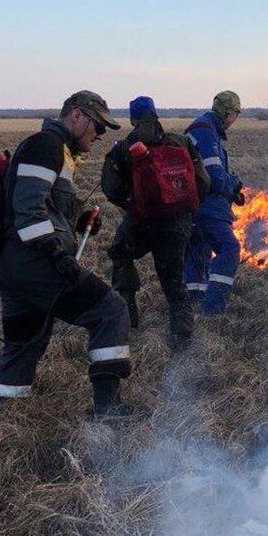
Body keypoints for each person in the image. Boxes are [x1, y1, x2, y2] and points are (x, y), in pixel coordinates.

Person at [0, 90, 136, 419]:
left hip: (14, 264)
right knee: (110, 310)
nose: (99, 136)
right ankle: (109, 411)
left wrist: (77, 222)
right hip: (34, 263)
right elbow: (28, 210)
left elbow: (44, 207)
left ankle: (1, 419)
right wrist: (57, 254)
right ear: (78, 116)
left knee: (25, 342)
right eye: (98, 127)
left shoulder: (59, 151)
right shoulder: (46, 146)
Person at [100, 96, 210, 349]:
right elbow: (203, 182)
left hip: (141, 222)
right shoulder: (181, 142)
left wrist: (133, 204)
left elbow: (110, 188)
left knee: (120, 253)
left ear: (132, 118)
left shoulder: (124, 148)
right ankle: (182, 342)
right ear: (156, 113)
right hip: (177, 224)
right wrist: (186, 210)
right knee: (174, 284)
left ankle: (128, 318)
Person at [184, 90, 245, 314]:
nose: (234, 120)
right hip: (207, 208)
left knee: (199, 252)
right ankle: (213, 312)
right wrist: (234, 184)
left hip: (194, 206)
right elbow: (214, 177)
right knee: (229, 248)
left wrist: (232, 193)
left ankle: (194, 304)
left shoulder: (202, 129)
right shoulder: (206, 132)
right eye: (235, 114)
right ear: (227, 113)